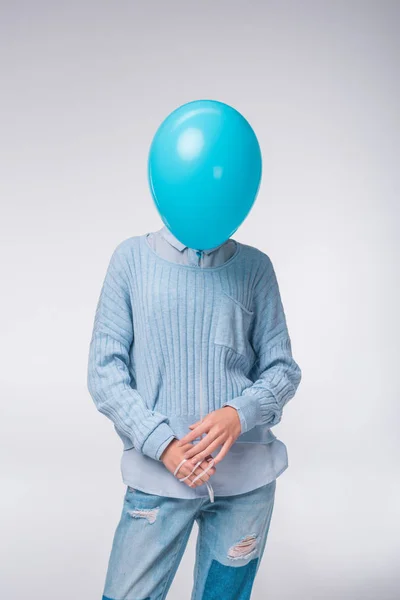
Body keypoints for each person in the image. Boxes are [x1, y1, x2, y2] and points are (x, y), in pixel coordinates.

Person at [87, 224, 302, 600]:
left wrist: (239, 413)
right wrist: (163, 445)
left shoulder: (255, 267)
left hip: (245, 484)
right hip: (158, 480)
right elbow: (104, 372)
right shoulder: (132, 259)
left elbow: (282, 369)